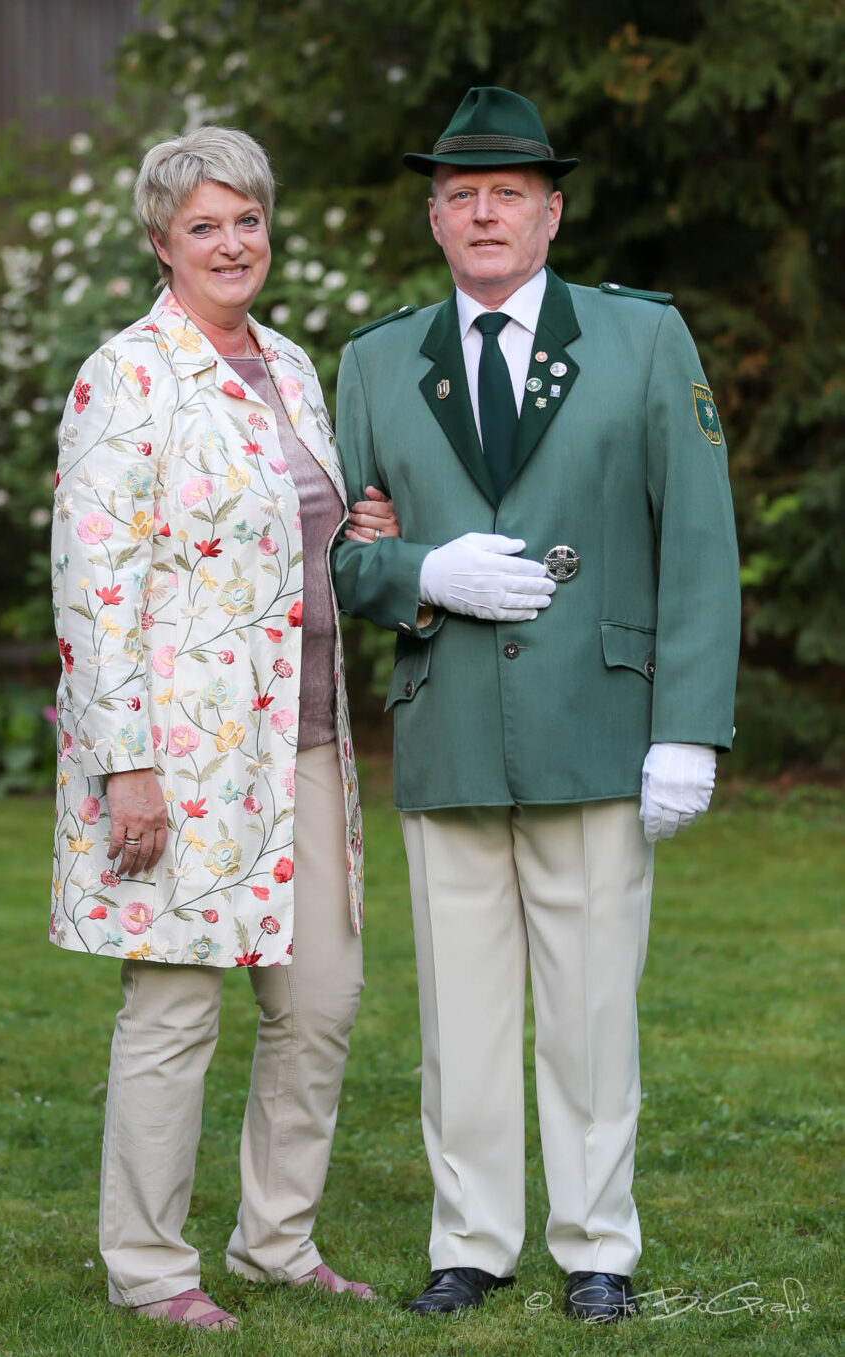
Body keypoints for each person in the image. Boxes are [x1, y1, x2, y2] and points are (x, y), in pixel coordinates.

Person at [331, 86, 741, 1324]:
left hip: (599, 724)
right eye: (461, 196)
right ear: (433, 219)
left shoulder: (641, 340)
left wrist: (688, 725)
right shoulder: (374, 361)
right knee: (458, 1015)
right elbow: (349, 556)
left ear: (551, 213)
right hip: (450, 721)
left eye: (508, 193)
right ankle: (469, 1240)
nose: (484, 214)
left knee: (588, 1006)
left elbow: (698, 541)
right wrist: (420, 573)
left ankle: (595, 1247)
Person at [49, 126, 397, 1331]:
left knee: (322, 1001)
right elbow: (92, 582)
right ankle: (149, 1268)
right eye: (204, 224)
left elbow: (297, 538)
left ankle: (274, 1242)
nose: (231, 241)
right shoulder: (127, 373)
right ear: (161, 243)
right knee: (177, 1008)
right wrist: (125, 765)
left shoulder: (290, 366)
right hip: (182, 754)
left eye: (245, 217)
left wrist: (362, 526)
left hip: (301, 741)